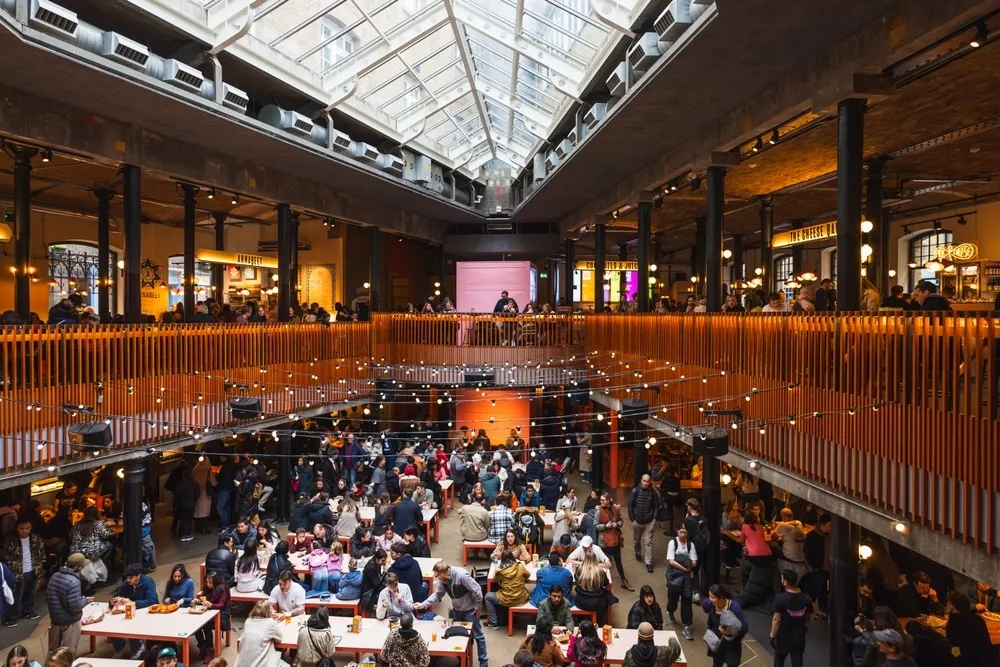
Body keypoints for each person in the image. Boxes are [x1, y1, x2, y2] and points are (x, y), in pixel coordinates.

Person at [413, 562, 487, 667]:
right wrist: (424, 604)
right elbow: (438, 594)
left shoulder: (462, 576)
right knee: (457, 635)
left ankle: (483, 662)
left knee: (478, 636)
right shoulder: (443, 580)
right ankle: (461, 661)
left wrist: (477, 607)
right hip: (457, 610)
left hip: (470, 611)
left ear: (443, 573)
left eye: (437, 575)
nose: (436, 577)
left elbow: (477, 590)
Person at [46, 553, 93, 656]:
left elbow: (51, 597)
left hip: (55, 620)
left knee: (53, 652)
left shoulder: (55, 576)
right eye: (83, 566)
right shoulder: (74, 581)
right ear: (78, 567)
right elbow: (75, 606)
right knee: (68, 653)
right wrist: (85, 600)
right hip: (69, 622)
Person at [4, 518, 45, 626]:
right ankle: (12, 616)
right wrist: (12, 570)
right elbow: (7, 556)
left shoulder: (36, 539)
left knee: (30, 592)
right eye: (22, 528)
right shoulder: (12, 541)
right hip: (17, 571)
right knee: (16, 595)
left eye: (27, 528)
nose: (24, 531)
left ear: (30, 528)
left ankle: (28, 611)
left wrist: (40, 566)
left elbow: (41, 553)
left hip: (33, 569)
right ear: (17, 529)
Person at [110, 563, 158, 657]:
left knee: (133, 625)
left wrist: (133, 603)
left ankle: (137, 648)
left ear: (138, 575)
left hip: (148, 611)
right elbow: (117, 595)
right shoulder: (126, 583)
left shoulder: (148, 582)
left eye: (131, 578)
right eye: (127, 578)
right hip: (132, 611)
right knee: (112, 623)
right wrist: (113, 601)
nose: (128, 580)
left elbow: (152, 600)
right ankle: (120, 647)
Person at [771, 569, 811, 667]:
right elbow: (809, 615)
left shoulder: (779, 598)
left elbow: (776, 620)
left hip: (782, 638)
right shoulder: (806, 598)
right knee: (797, 662)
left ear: (785, 582)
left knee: (779, 660)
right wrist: (805, 626)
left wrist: (772, 635)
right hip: (798, 638)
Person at [946, 591, 997, 667]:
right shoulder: (978, 618)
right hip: (988, 661)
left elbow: (952, 641)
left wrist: (950, 618)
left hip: (970, 662)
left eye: (948, 603)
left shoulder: (955, 620)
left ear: (953, 607)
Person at [593, 492, 632, 591]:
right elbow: (595, 525)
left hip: (615, 539)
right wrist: (605, 526)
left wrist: (616, 524)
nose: (601, 501)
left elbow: (621, 521)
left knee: (618, 561)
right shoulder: (599, 512)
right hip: (604, 541)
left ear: (608, 500)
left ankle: (623, 580)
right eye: (600, 500)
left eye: (603, 500)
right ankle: (601, 583)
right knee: (603, 562)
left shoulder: (615, 509)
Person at [702, 585, 748, 667]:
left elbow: (744, 628)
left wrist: (728, 633)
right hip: (717, 642)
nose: (710, 599)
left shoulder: (734, 607)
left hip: (732, 644)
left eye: (713, 597)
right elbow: (710, 622)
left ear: (721, 598)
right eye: (709, 596)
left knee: (732, 665)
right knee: (716, 664)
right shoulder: (710, 604)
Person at [484, 549, 530, 629]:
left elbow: (495, 580)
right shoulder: (520, 566)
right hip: (521, 598)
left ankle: (493, 622)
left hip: (506, 599)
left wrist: (496, 571)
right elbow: (528, 575)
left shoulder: (501, 571)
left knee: (487, 597)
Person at [665, 526, 697, 641]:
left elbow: (694, 562)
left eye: (685, 532)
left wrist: (682, 561)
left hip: (687, 578)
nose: (683, 534)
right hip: (675, 576)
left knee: (687, 600)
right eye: (681, 532)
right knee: (673, 597)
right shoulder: (672, 543)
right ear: (677, 532)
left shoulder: (690, 545)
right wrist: (685, 566)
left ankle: (687, 625)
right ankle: (670, 610)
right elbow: (671, 561)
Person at [234, 600, 284, 667]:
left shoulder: (248, 621)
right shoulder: (271, 622)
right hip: (259, 664)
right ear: (268, 611)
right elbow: (279, 639)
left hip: (241, 663)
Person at [574, 552, 616, 627]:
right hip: (597, 602)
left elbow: (576, 580)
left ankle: (581, 621)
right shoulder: (599, 570)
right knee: (606, 599)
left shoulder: (580, 569)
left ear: (585, 559)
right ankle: (601, 624)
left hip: (582, 602)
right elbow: (606, 582)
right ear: (595, 559)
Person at [196, 572, 230, 663]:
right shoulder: (207, 589)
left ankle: (210, 649)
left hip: (221, 613)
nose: (208, 584)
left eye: (210, 583)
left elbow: (221, 604)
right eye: (207, 582)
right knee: (196, 624)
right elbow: (204, 601)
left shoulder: (223, 589)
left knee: (206, 625)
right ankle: (202, 646)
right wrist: (198, 602)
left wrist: (211, 605)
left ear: (215, 582)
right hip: (208, 611)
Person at [628, 475, 659, 573]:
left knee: (648, 542)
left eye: (647, 481)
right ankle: (637, 552)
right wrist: (632, 519)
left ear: (650, 482)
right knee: (637, 540)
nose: (645, 483)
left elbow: (656, 505)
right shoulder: (635, 491)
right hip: (637, 521)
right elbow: (630, 505)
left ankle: (648, 562)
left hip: (649, 521)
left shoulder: (653, 492)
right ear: (641, 480)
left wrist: (654, 518)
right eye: (644, 481)